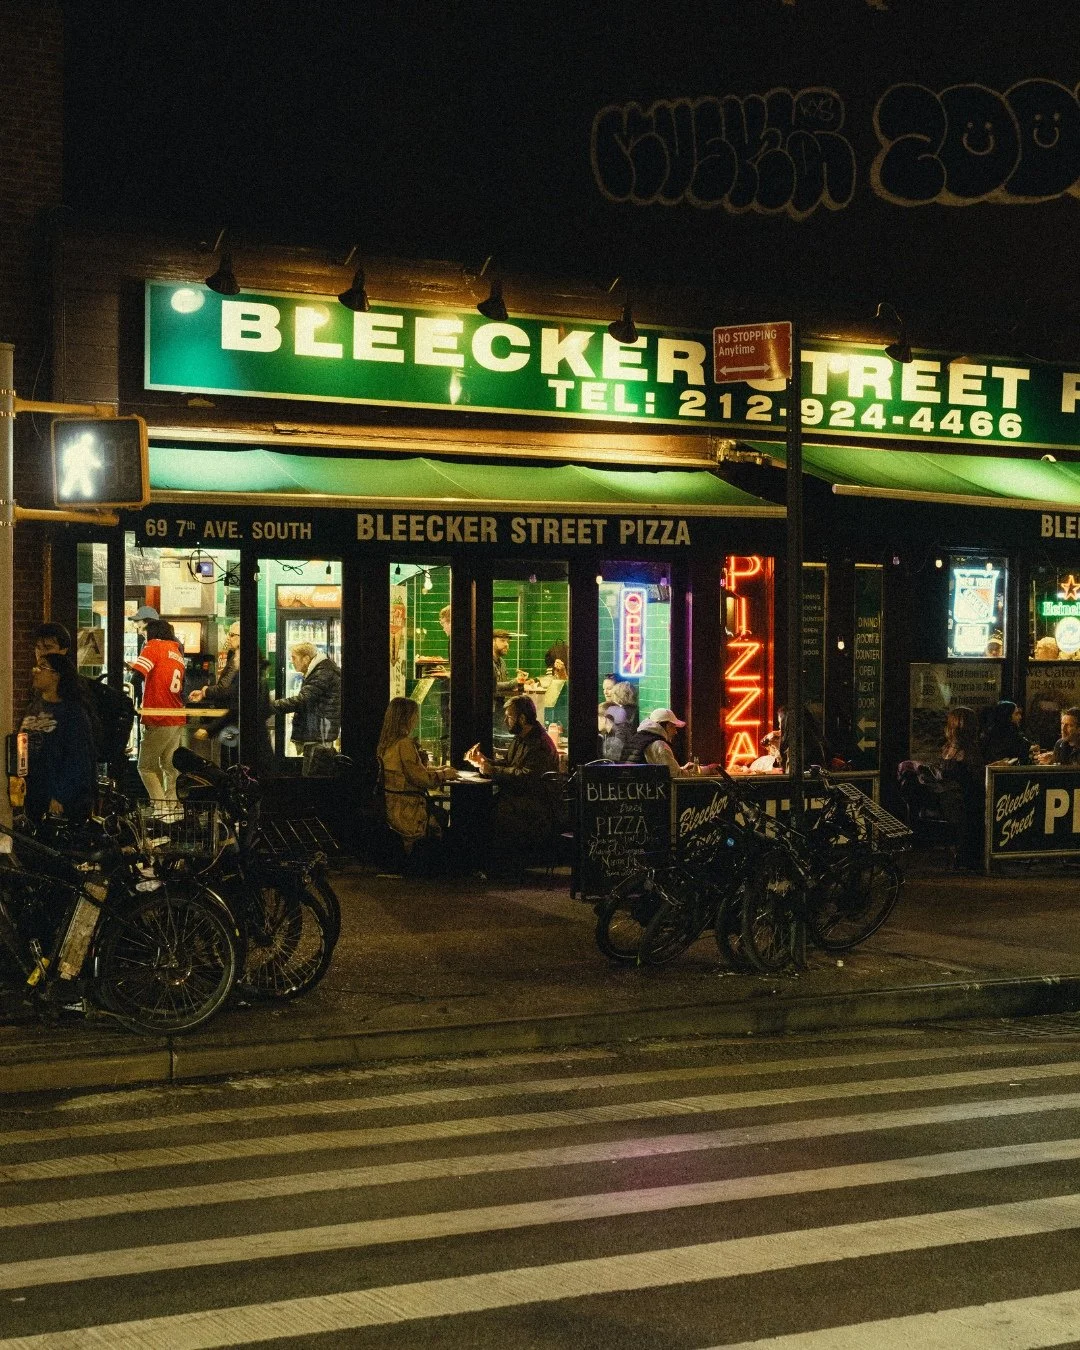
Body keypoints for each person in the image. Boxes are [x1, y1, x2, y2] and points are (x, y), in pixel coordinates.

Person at [31, 620, 134, 773]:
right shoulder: (40, 685)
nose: (42, 653)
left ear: (64, 650)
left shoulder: (75, 689)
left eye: (48, 647)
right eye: (38, 648)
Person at [466, 694, 560, 855]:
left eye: (509, 717)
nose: (505, 721)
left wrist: (492, 770)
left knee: (490, 811)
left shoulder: (540, 744)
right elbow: (509, 764)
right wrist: (483, 761)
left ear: (522, 719)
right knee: (478, 806)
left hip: (534, 801)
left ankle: (500, 862)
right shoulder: (520, 738)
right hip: (519, 797)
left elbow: (527, 776)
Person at [19, 652, 96, 822]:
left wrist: (60, 795)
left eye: (42, 667)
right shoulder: (33, 707)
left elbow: (78, 759)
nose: (35, 671)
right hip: (32, 792)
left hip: (58, 800)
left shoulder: (73, 713)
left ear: (56, 675)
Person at [377, 696, 458, 853]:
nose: (417, 718)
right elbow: (421, 778)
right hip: (408, 808)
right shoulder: (404, 744)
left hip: (392, 803)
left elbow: (409, 771)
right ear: (406, 717)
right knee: (442, 817)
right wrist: (444, 774)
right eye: (415, 714)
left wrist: (437, 769)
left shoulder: (387, 743)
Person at [128, 618, 186, 803]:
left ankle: (160, 808)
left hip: (158, 715)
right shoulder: (176, 651)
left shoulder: (154, 646)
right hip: (176, 714)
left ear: (153, 633)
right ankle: (173, 808)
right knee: (170, 766)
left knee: (145, 766)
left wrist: (130, 700)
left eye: (145, 633)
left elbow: (136, 676)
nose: (143, 637)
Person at [270, 641, 342, 752]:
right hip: (317, 734)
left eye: (294, 658)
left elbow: (303, 701)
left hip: (318, 736)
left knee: (314, 768)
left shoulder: (321, 673)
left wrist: (271, 706)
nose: (291, 661)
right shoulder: (320, 671)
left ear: (306, 659)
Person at [938, 704, 985, 870]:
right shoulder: (969, 751)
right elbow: (977, 778)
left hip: (950, 800)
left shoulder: (947, 749)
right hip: (968, 801)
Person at [188, 621, 240, 754]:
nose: (228, 638)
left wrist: (205, 691)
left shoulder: (238, 659)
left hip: (231, 719)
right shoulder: (235, 657)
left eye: (232, 635)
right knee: (230, 756)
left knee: (231, 758)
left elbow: (224, 688)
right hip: (230, 718)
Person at [626, 707, 700, 777]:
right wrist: (697, 772)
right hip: (650, 789)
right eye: (673, 727)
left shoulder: (637, 739)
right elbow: (675, 775)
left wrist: (681, 769)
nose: (675, 732)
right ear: (668, 726)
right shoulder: (658, 744)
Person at [981, 700, 1033, 764]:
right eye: (1016, 714)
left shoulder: (989, 735)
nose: (1020, 717)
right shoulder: (1008, 737)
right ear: (1007, 716)